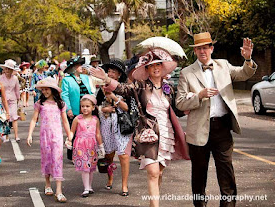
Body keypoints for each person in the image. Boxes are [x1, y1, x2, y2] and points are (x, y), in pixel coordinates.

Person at [91, 48, 189, 207]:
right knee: (153, 172)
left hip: (166, 133)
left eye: (158, 64)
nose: (156, 68)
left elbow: (177, 108)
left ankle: (153, 203)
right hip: (148, 133)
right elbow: (123, 89)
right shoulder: (141, 86)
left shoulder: (168, 88)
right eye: (152, 65)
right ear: (147, 69)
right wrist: (107, 80)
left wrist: (191, 104)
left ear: (162, 67)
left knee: (159, 172)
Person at [175, 32, 257, 207]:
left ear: (211, 49)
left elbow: (244, 73)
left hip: (222, 128)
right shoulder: (186, 73)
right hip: (198, 131)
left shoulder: (224, 65)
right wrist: (199, 95)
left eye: (205, 47)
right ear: (195, 51)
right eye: (199, 48)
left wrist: (248, 59)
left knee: (226, 173)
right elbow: (180, 103)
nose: (202, 51)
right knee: (199, 175)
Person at [27, 77, 71, 203]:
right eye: (43, 90)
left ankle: (59, 191)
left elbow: (65, 121)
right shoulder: (39, 104)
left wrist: (69, 136)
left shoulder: (60, 104)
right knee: (46, 160)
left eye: (47, 89)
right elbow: (33, 119)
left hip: (57, 136)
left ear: (52, 89)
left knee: (57, 160)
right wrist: (30, 134)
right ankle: (47, 184)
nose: (45, 92)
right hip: (44, 137)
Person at [96, 59, 131, 196]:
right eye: (109, 71)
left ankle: (124, 186)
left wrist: (114, 98)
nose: (110, 74)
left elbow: (127, 107)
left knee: (123, 156)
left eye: (113, 72)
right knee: (109, 155)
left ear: (119, 75)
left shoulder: (125, 88)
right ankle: (110, 179)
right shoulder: (101, 88)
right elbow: (96, 106)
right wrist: (103, 109)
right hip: (106, 124)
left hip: (122, 124)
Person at [65, 94, 105, 197]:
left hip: (92, 146)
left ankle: (89, 186)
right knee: (85, 167)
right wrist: (69, 140)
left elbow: (98, 134)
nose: (85, 108)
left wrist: (101, 146)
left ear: (93, 107)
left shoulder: (95, 119)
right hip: (80, 146)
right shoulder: (77, 119)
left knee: (91, 167)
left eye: (87, 106)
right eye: (83, 106)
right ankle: (86, 188)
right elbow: (72, 132)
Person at [61, 56, 92, 123]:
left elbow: (90, 92)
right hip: (74, 111)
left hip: (87, 109)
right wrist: (68, 109)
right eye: (79, 65)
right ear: (73, 68)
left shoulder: (85, 77)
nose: (81, 67)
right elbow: (65, 96)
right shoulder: (66, 80)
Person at [0, 59, 21, 142]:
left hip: (13, 99)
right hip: (3, 100)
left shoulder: (15, 78)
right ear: (4, 69)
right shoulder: (0, 78)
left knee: (14, 117)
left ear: (12, 70)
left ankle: (16, 136)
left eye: (9, 69)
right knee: (5, 117)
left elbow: (17, 89)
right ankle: (6, 135)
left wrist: (18, 99)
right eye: (6, 69)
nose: (7, 71)